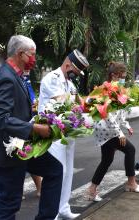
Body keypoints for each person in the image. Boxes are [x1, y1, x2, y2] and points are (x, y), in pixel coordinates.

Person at [0, 35, 63, 220]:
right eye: (32, 55)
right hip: (10, 149)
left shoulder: (16, 75)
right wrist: (34, 127)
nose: (34, 59)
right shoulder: (6, 77)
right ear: (20, 54)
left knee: (54, 170)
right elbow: (1, 118)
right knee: (9, 203)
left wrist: (40, 118)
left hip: (23, 144)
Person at [38, 49, 89, 219]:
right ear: (68, 65)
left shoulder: (69, 82)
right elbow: (62, 101)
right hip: (52, 133)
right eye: (75, 71)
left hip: (67, 132)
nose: (76, 75)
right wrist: (76, 103)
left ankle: (63, 208)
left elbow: (78, 102)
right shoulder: (52, 78)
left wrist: (91, 102)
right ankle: (51, 214)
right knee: (57, 172)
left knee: (67, 172)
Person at [87, 62, 139, 201]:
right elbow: (106, 114)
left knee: (107, 160)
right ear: (113, 75)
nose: (123, 79)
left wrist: (126, 125)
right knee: (130, 150)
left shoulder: (117, 88)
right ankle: (131, 183)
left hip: (110, 129)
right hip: (106, 130)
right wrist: (119, 133)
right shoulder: (106, 90)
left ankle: (92, 189)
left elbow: (119, 112)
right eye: (122, 76)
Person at [22, 71, 42, 198]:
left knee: (32, 157)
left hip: (29, 126)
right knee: (20, 158)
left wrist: (35, 105)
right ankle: (19, 190)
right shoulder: (11, 78)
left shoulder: (26, 81)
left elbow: (33, 101)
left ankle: (40, 188)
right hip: (18, 128)